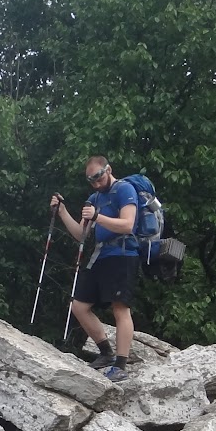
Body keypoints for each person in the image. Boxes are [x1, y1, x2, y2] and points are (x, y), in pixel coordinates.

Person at [51, 156, 139, 382]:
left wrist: (98, 217)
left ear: (108, 170)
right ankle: (106, 353)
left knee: (120, 308)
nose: (96, 183)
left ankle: (121, 365)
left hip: (123, 254)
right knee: (79, 306)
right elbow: (81, 234)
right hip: (101, 255)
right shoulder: (94, 198)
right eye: (91, 180)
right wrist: (62, 211)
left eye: (99, 178)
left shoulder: (125, 189)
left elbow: (128, 224)